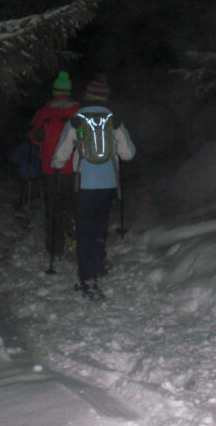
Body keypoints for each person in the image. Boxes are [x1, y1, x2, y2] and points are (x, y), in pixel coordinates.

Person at [51, 74, 135, 297]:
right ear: (105, 97)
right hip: (108, 185)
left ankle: (87, 277)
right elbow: (128, 154)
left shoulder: (76, 119)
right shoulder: (113, 119)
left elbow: (61, 154)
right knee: (100, 228)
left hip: (84, 184)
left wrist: (55, 165)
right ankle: (98, 266)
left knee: (85, 230)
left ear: (86, 97)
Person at [29, 71, 80, 257]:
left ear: (54, 90)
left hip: (50, 169)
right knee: (73, 206)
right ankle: (74, 239)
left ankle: (55, 247)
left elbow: (35, 138)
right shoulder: (77, 110)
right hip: (73, 169)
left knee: (53, 208)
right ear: (68, 91)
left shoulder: (44, 111)